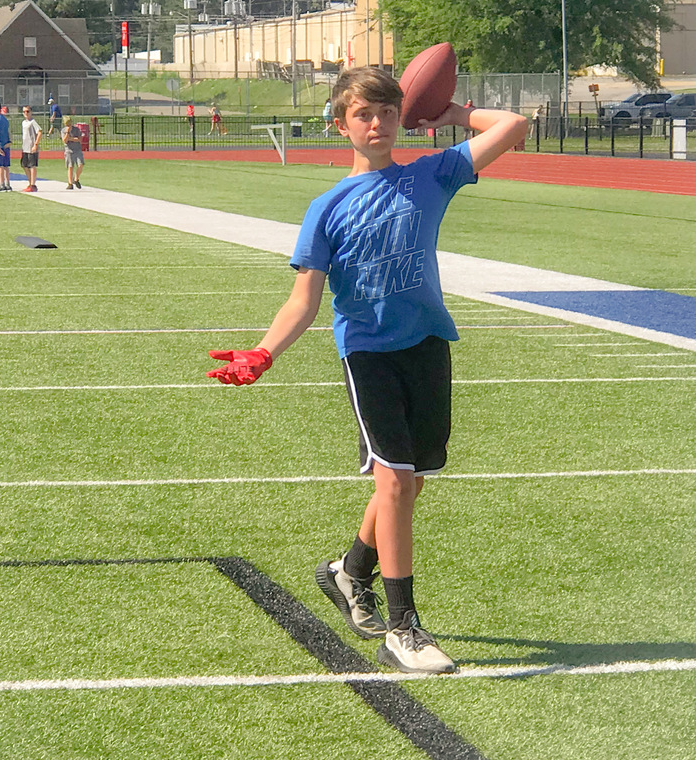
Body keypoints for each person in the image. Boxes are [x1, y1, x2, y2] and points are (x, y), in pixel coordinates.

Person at [206, 64, 527, 675]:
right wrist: (264, 351)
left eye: (386, 111)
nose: (376, 123)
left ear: (401, 118)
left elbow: (514, 125)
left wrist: (452, 115)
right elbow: (304, 299)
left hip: (429, 344)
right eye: (362, 114)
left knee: (413, 481)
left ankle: (349, 571)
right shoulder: (326, 207)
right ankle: (402, 629)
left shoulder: (431, 174)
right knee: (396, 484)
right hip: (369, 353)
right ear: (340, 123)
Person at [21, 105, 41, 191]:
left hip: (31, 147)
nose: (26, 113)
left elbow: (39, 132)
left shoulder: (33, 122)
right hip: (25, 147)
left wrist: (35, 144)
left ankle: (33, 184)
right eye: (24, 111)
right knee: (25, 165)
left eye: (28, 111)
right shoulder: (23, 122)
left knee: (32, 166)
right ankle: (29, 183)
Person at [61, 116, 84, 189]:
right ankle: (70, 183)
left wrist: (71, 139)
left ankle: (76, 179)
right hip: (69, 150)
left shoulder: (76, 129)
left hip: (77, 150)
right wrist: (67, 132)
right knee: (70, 166)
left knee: (80, 164)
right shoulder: (63, 130)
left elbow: (79, 139)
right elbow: (65, 140)